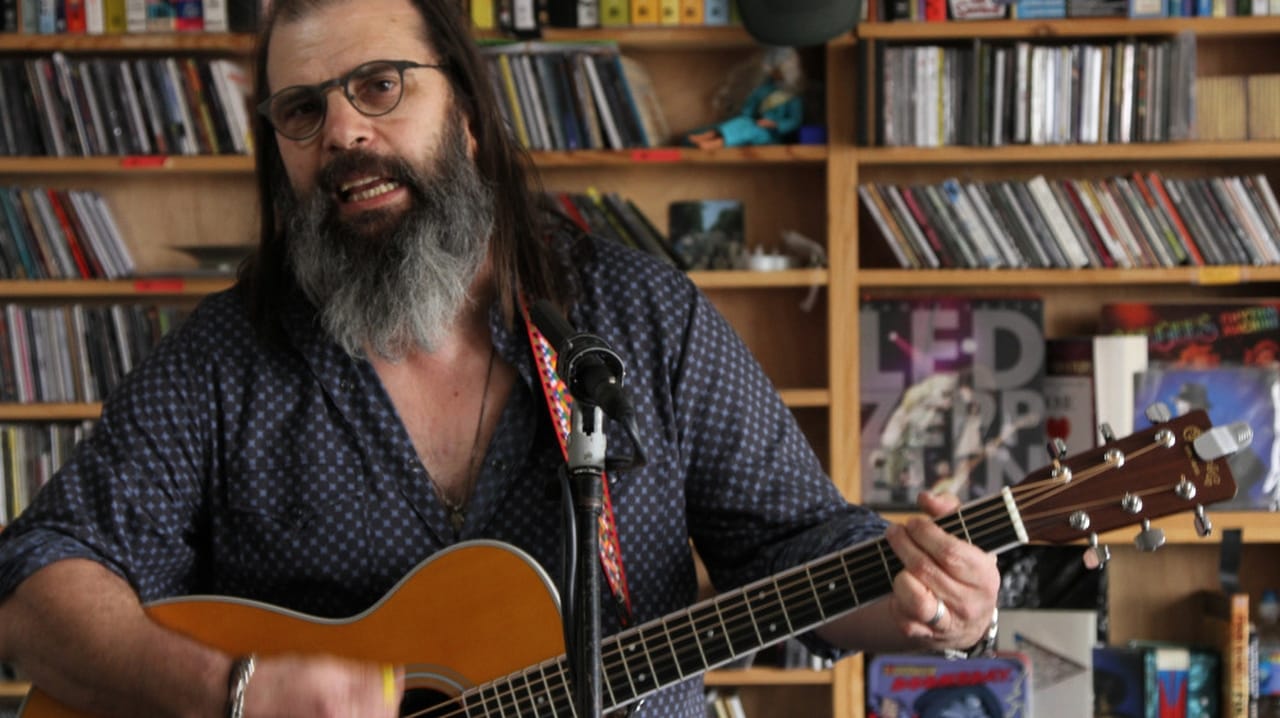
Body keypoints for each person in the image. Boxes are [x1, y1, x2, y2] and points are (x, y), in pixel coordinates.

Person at [0, 0, 1001, 715]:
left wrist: (928, 605)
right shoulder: (226, 359)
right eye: (302, 111)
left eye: (378, 85)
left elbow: (796, 545)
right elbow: (36, 586)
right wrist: (234, 691)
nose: (341, 129)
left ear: (469, 116)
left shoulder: (640, 318)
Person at [685, 47, 805, 150]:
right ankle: (711, 135)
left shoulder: (792, 96)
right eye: (774, 69)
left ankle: (717, 142)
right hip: (755, 124)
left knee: (751, 129)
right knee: (744, 123)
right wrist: (748, 117)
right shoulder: (764, 89)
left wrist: (774, 124)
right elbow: (749, 109)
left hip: (771, 135)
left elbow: (795, 121)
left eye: (778, 69)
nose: (775, 73)